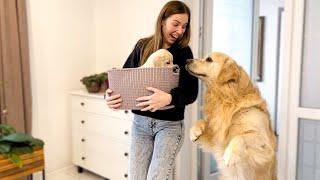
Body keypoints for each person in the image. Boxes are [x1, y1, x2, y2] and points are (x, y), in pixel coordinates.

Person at [105, 1, 198, 179]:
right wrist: (108, 96)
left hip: (169, 127)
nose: (180, 31)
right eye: (176, 24)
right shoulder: (142, 46)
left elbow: (191, 93)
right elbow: (122, 80)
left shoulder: (184, 53)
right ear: (163, 20)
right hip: (140, 124)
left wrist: (169, 99)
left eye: (184, 26)